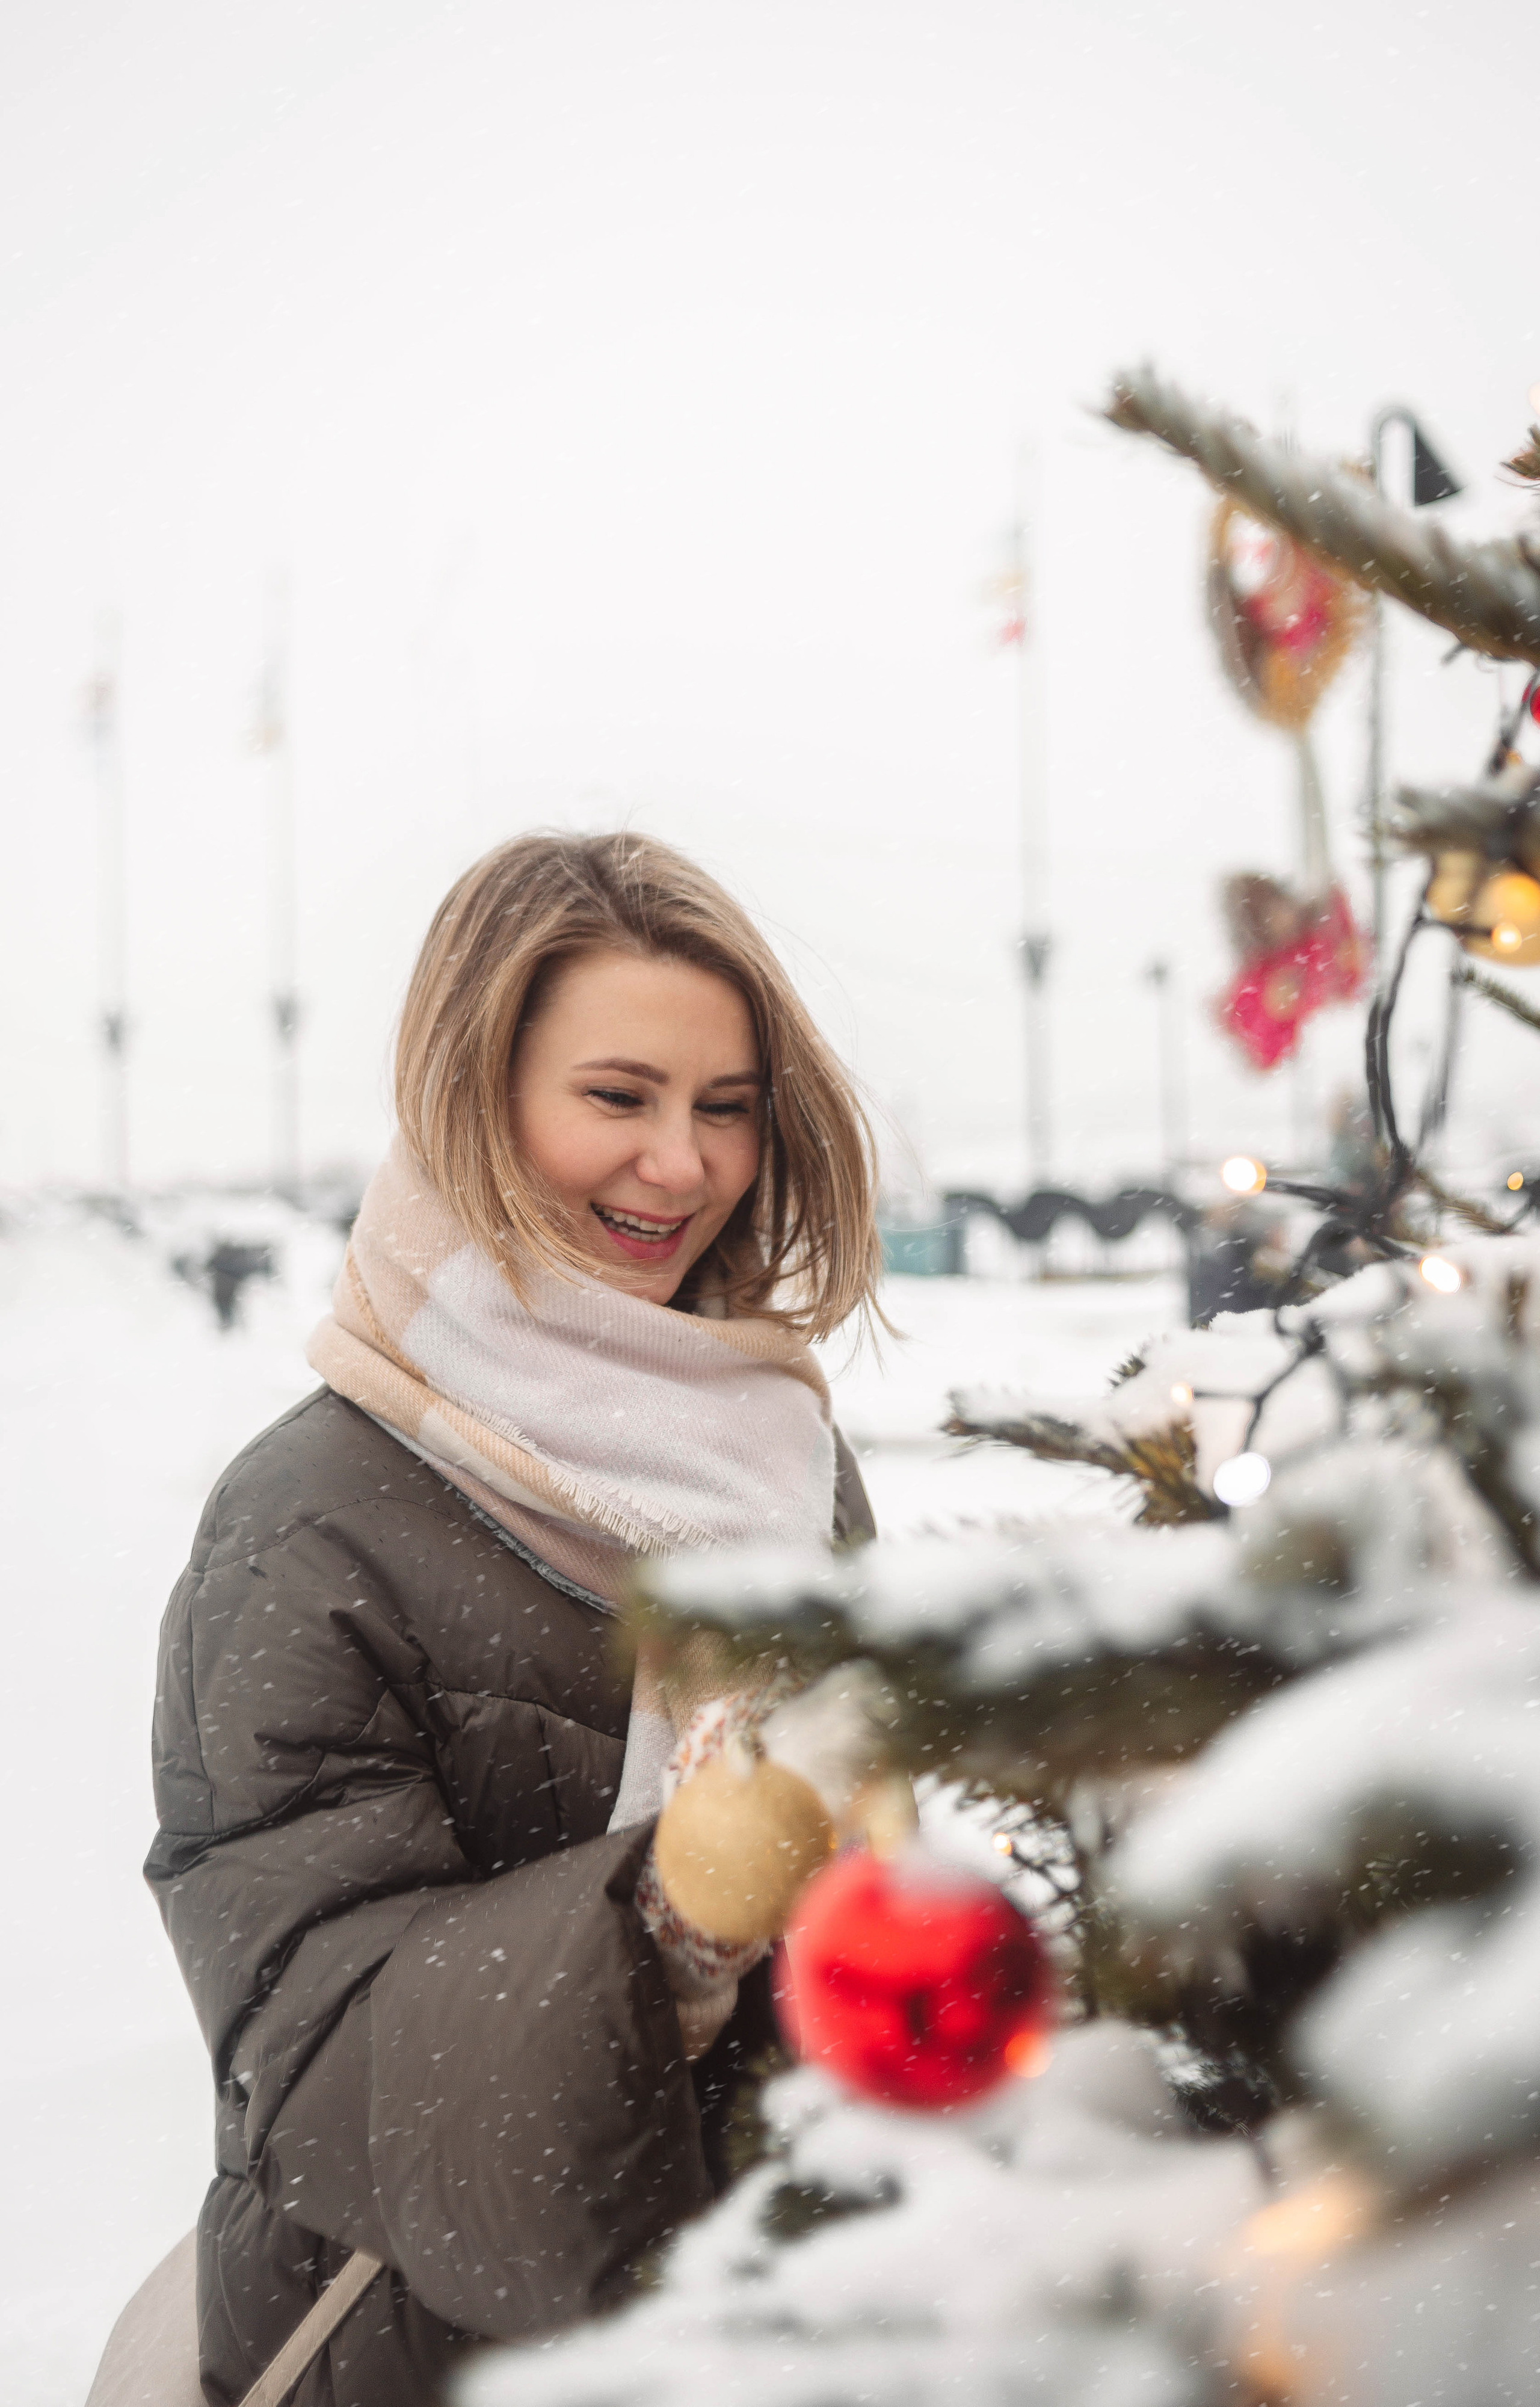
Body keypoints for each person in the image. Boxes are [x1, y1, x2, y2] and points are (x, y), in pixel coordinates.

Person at [146, 832, 881, 2406]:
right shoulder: (309, 1519)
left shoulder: (789, 1464)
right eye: (618, 1097)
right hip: (424, 2354)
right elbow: (314, 2045)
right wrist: (667, 1922)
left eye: (727, 1107)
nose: (680, 1164)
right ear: (473, 1099)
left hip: (780, 2324)